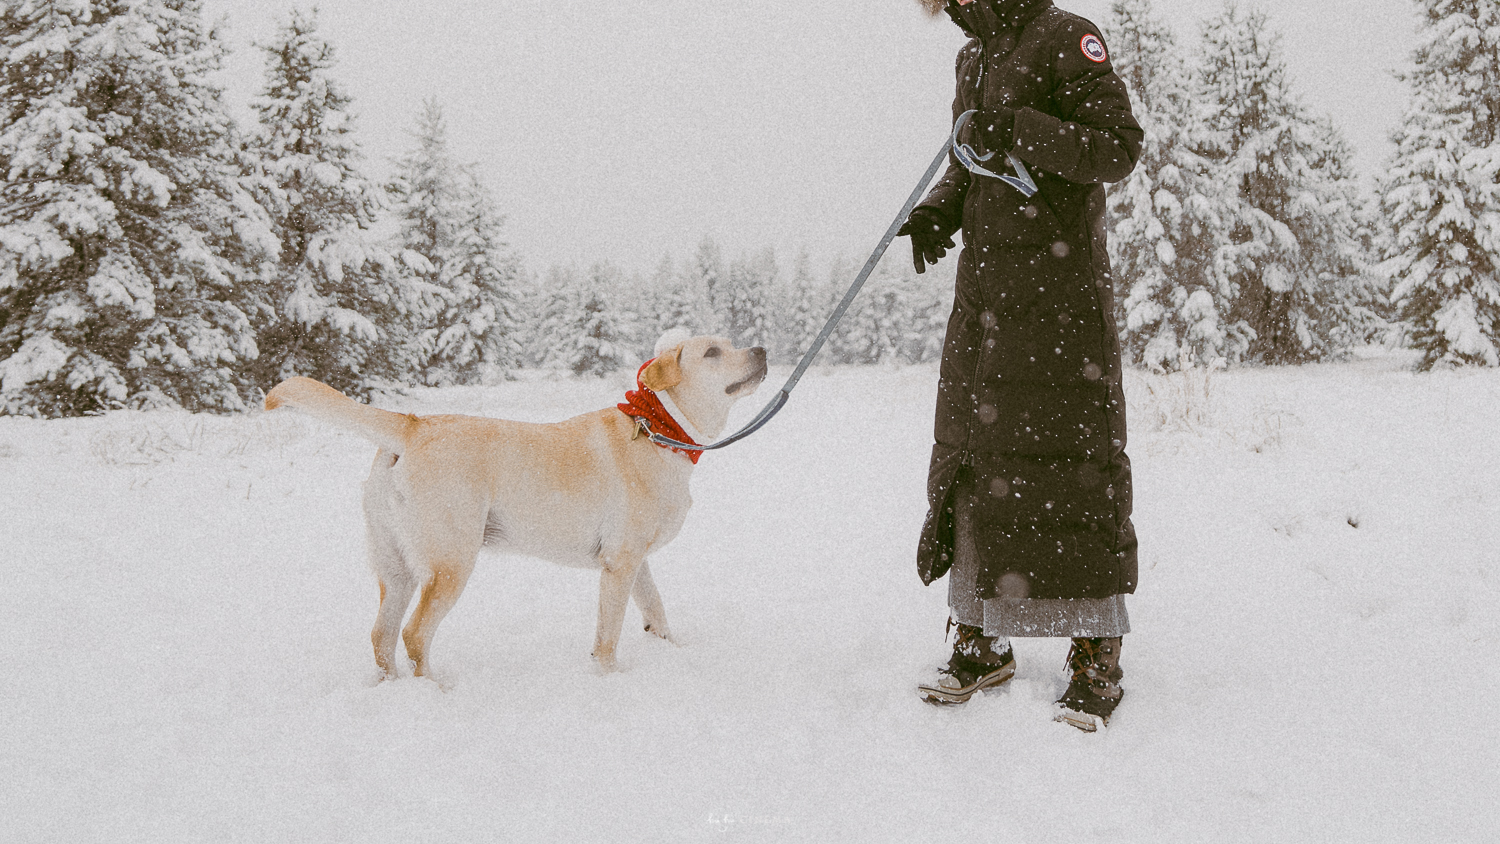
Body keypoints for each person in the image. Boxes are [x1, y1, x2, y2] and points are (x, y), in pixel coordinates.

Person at [899, 0, 1144, 731]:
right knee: (977, 457)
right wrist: (942, 208)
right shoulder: (974, 55)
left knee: (1071, 465)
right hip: (986, 300)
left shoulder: (1070, 36)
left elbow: (1118, 149)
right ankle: (981, 637)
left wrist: (1023, 130)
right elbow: (971, 160)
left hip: (1059, 300)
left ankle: (1096, 647)